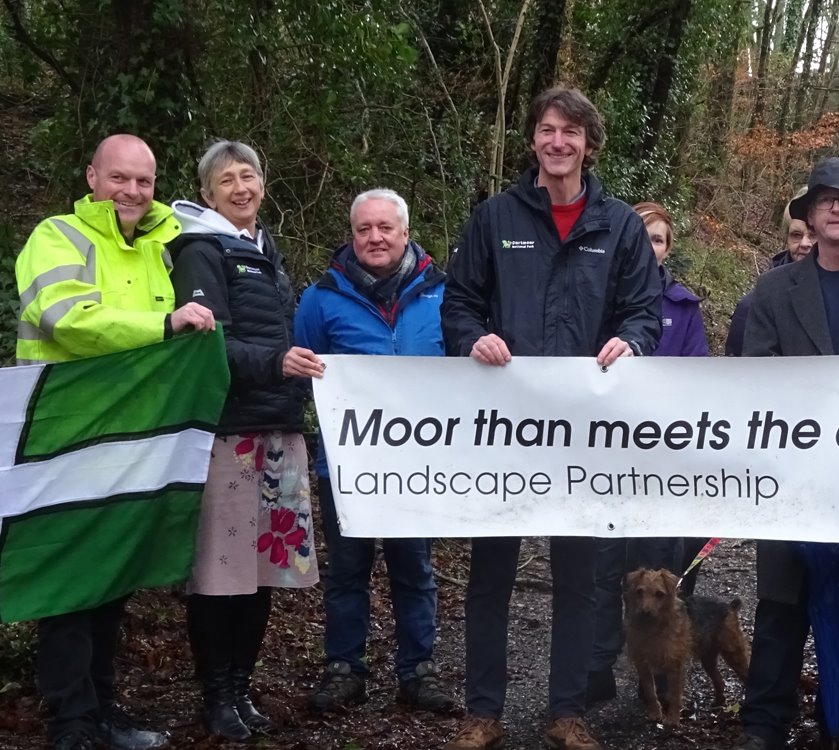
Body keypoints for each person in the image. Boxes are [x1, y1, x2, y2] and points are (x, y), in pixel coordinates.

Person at [440, 86, 661, 750]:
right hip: (505, 431)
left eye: (571, 131)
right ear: (533, 139)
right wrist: (470, 339)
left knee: (578, 578)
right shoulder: (494, 217)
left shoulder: (619, 225)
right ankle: (484, 710)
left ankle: (566, 711)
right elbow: (460, 304)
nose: (557, 141)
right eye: (546, 129)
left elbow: (643, 310)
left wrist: (635, 342)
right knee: (491, 576)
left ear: (589, 143)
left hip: (583, 434)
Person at [15, 134, 214, 750]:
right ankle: (71, 722)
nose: (132, 192)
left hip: (134, 437)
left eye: (144, 181)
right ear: (92, 176)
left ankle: (103, 710)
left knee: (113, 572)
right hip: (66, 432)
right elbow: (62, 317)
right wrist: (163, 324)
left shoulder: (163, 248)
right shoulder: (58, 236)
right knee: (71, 578)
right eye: (119, 179)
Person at [168, 140, 323, 741]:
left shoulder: (264, 251)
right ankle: (217, 695)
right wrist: (277, 364)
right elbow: (206, 347)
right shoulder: (201, 251)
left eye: (250, 175)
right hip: (229, 432)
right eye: (227, 179)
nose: (241, 187)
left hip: (278, 427)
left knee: (261, 572)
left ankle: (242, 689)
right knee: (218, 573)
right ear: (207, 194)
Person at [728, 157, 839, 750]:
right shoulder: (773, 289)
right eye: (825, 200)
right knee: (781, 598)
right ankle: (765, 719)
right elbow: (757, 376)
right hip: (792, 472)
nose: (837, 208)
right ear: (811, 216)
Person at [294, 189, 456, 714]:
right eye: (364, 229)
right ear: (352, 235)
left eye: (385, 228)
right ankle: (344, 669)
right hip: (346, 464)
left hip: (417, 463)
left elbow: (463, 374)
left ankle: (418, 671)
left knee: (415, 568)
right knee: (347, 571)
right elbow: (303, 375)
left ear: (406, 233)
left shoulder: (442, 295)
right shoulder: (321, 297)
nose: (375, 238)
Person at [586, 201, 705, 704]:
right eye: (640, 236)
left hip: (663, 464)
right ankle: (594, 672)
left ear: (667, 248)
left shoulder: (683, 307)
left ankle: (656, 679)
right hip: (605, 460)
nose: (649, 247)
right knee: (603, 569)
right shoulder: (596, 297)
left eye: (657, 239)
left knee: (659, 565)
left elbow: (698, 379)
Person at [724, 189, 814, 357]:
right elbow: (736, 373)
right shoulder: (754, 307)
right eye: (796, 235)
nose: (805, 243)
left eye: (813, 235)